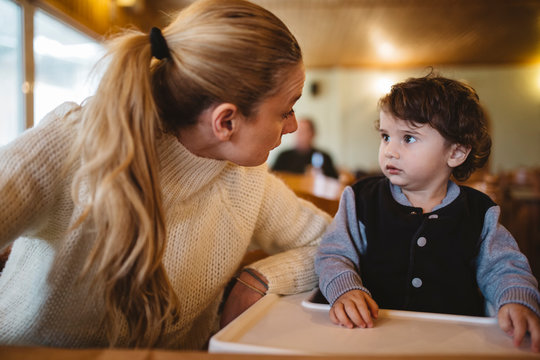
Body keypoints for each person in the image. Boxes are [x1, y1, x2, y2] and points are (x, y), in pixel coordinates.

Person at [0, 0, 332, 349]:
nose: (293, 125)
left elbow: (334, 245)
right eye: (286, 110)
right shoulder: (71, 142)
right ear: (226, 122)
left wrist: (261, 279)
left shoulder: (246, 181)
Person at [315, 74, 540, 352]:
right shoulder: (361, 199)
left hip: (454, 343)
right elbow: (333, 254)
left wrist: (515, 299)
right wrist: (345, 289)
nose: (390, 151)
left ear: (456, 153)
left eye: (408, 138)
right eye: (385, 136)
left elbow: (503, 267)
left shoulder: (480, 212)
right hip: (368, 336)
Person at [272, 118, 340, 179]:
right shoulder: (284, 156)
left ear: (312, 134)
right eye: (297, 132)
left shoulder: (324, 157)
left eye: (303, 132)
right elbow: (273, 176)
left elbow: (334, 181)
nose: (299, 135)